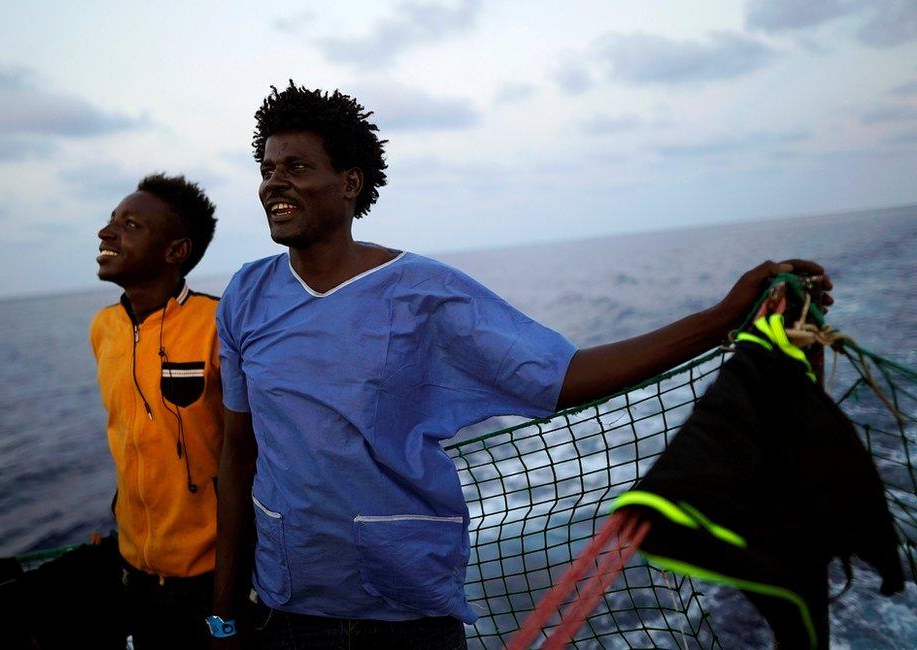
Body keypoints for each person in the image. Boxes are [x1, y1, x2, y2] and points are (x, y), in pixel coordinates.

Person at [210, 82, 832, 649]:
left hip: (401, 614)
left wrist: (724, 316)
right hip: (283, 606)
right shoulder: (246, 295)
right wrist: (223, 611)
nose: (273, 183)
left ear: (349, 182)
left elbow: (565, 378)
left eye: (296, 167)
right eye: (267, 170)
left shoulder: (426, 293)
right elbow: (239, 457)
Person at [91, 173, 222, 649]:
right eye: (111, 221)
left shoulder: (217, 325)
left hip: (213, 577)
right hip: (135, 571)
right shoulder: (103, 328)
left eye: (130, 225)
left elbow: (253, 450)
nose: (107, 233)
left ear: (175, 251)